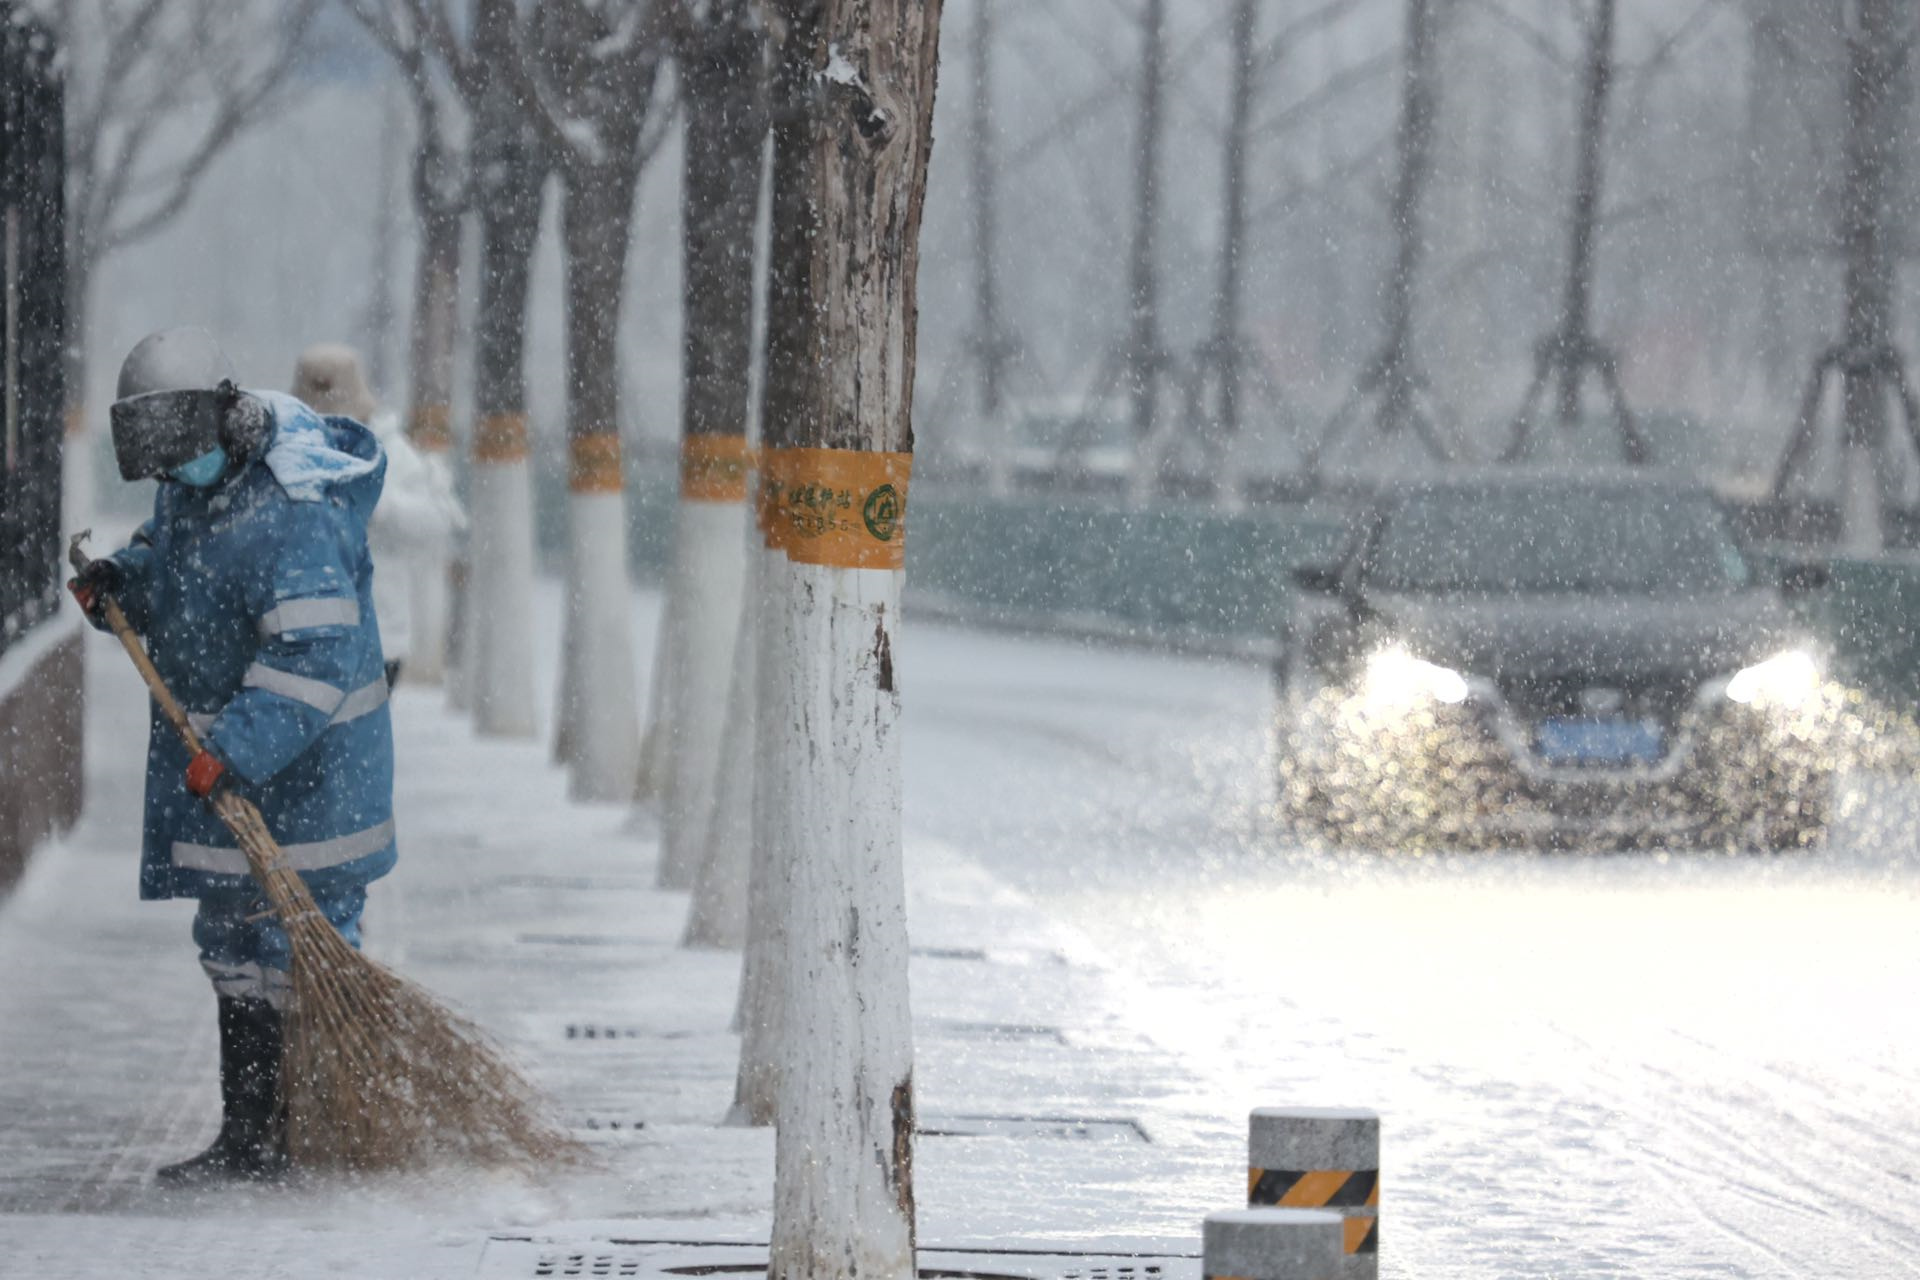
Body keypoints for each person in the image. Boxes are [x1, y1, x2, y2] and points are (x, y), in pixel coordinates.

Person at [67, 328, 398, 1183]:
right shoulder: (196, 484)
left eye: (180, 463)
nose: (172, 483)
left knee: (301, 954)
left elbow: (316, 654)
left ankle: (312, 1135)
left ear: (221, 417)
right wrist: (121, 586)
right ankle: (247, 1139)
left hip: (312, 783)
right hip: (233, 782)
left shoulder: (292, 509)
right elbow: (174, 567)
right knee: (231, 951)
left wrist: (241, 747)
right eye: (162, 472)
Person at [288, 344, 462, 688]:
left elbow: (439, 522)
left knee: (353, 739)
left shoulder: (390, 452)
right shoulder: (285, 453)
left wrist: (378, 507)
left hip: (378, 637)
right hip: (295, 639)